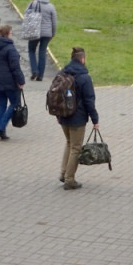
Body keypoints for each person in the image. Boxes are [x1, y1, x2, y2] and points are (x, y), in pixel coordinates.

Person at [57, 47, 100, 190]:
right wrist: (95, 119)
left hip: (63, 115)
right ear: (82, 59)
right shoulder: (84, 77)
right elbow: (89, 101)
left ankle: (63, 172)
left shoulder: (63, 73)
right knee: (76, 148)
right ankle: (69, 179)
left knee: (70, 143)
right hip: (77, 118)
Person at [25, 0, 58, 81]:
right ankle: (40, 75)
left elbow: (26, 14)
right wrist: (53, 33)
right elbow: (54, 22)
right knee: (42, 52)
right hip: (47, 33)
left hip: (34, 31)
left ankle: (34, 70)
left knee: (31, 50)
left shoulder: (33, 3)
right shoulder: (51, 6)